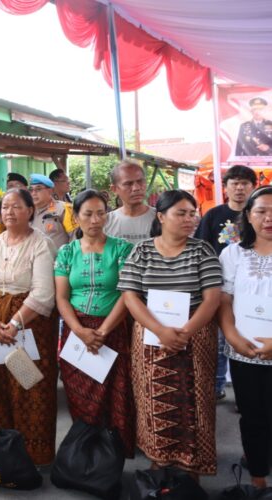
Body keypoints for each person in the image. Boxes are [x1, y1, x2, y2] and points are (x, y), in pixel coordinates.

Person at [118, 190, 222, 478]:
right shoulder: (142, 251)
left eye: (193, 213)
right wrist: (161, 330)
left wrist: (184, 332)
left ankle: (192, 466)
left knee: (195, 402)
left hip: (195, 335)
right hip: (151, 337)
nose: (190, 219)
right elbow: (130, 296)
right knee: (152, 400)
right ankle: (159, 461)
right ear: (161, 217)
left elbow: (211, 298)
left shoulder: (203, 251)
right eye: (182, 213)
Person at [0, 188, 59, 465]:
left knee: (28, 386)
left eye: (16, 206)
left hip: (30, 328)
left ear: (30, 210)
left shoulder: (41, 244)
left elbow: (44, 293)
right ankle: (1, 451)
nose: (9, 212)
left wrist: (14, 324)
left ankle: (33, 455)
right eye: (5, 207)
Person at [54, 190, 136, 457]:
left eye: (100, 213)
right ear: (76, 217)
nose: (95, 220)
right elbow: (62, 297)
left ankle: (110, 456)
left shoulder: (122, 248)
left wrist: (101, 331)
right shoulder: (66, 252)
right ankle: (83, 454)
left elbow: (127, 294)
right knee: (80, 397)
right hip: (75, 332)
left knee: (115, 395)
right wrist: (79, 331)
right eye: (87, 214)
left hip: (112, 330)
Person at [218, 186, 272, 489]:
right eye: (261, 211)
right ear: (248, 216)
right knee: (252, 415)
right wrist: (231, 336)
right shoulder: (233, 254)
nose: (268, 218)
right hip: (243, 350)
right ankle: (258, 476)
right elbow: (224, 300)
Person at [195, 164, 257, 400]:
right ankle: (217, 386)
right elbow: (202, 248)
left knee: (250, 335)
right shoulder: (213, 215)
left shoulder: (259, 215)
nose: (240, 188)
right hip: (219, 287)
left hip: (252, 290)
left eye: (245, 184)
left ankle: (249, 393)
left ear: (253, 187)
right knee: (220, 340)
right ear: (226, 187)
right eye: (235, 183)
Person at [104, 160, 155, 245]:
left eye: (140, 181)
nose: (136, 188)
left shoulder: (161, 219)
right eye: (128, 184)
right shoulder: (106, 222)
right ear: (114, 189)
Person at [29, 173, 77, 250]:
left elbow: (75, 238)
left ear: (50, 191)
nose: (33, 193)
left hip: (57, 260)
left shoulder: (63, 209)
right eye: (31, 190)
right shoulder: (28, 212)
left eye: (38, 189)